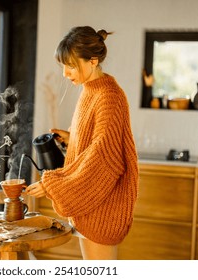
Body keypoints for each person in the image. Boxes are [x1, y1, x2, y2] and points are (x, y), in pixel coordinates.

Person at [25, 26, 139, 260]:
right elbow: (97, 139)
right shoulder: (91, 89)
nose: (66, 74)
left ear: (93, 61)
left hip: (102, 207)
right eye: (63, 66)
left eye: (71, 66)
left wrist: (52, 185)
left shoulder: (109, 96)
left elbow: (103, 159)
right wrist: (72, 139)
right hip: (89, 204)